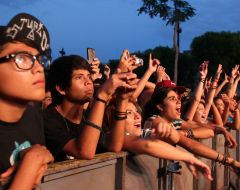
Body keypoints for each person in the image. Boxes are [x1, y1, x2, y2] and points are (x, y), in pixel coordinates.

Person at [144, 81, 240, 183]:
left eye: (178, 98)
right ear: (160, 106)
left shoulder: (176, 122)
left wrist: (187, 133)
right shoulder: (154, 120)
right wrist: (231, 162)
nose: (178, 101)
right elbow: (190, 144)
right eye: (172, 98)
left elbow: (209, 131)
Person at [44, 52, 138, 161]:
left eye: (88, 76)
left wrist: (122, 99)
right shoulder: (48, 120)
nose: (88, 82)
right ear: (61, 89)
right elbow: (84, 152)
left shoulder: (89, 116)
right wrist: (102, 95)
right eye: (79, 77)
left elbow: (114, 146)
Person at [0, 13, 54, 189]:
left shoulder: (33, 117)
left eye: (39, 59)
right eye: (22, 58)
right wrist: (31, 162)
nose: (38, 68)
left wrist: (41, 155)